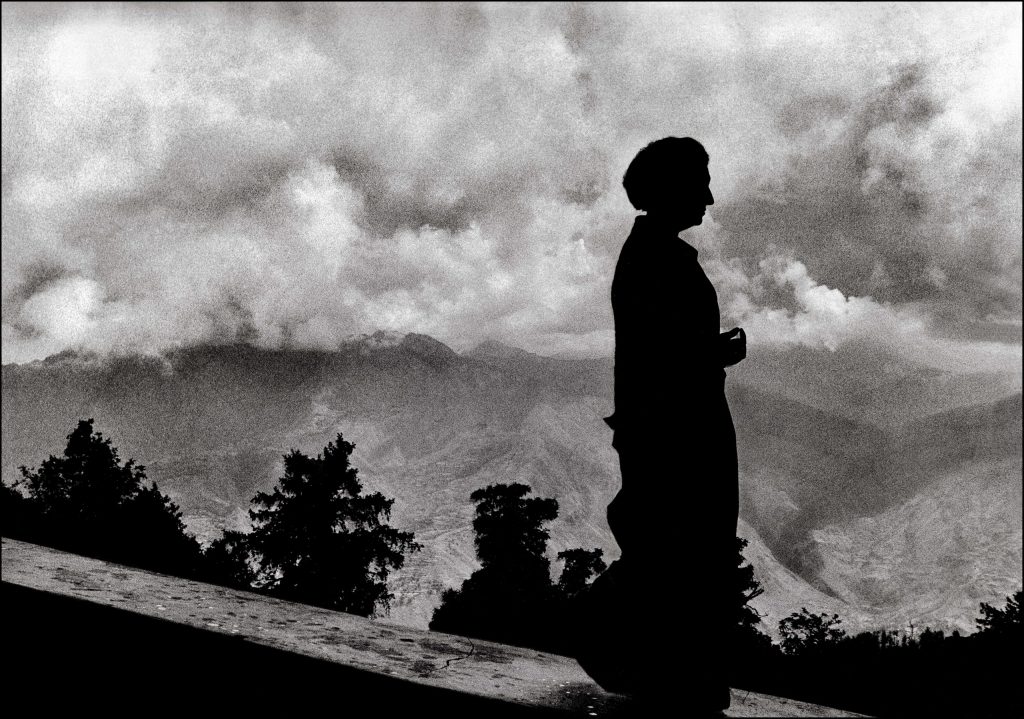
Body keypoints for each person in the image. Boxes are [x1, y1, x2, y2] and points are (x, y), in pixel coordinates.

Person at [574, 137, 745, 714]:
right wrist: (715, 355)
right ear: (672, 188)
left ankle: (673, 672)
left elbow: (659, 351)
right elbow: (665, 361)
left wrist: (707, 353)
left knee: (679, 554)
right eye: (701, 184)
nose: (710, 198)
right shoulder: (658, 260)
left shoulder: (651, 253)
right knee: (678, 554)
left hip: (670, 432)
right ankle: (648, 663)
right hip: (677, 440)